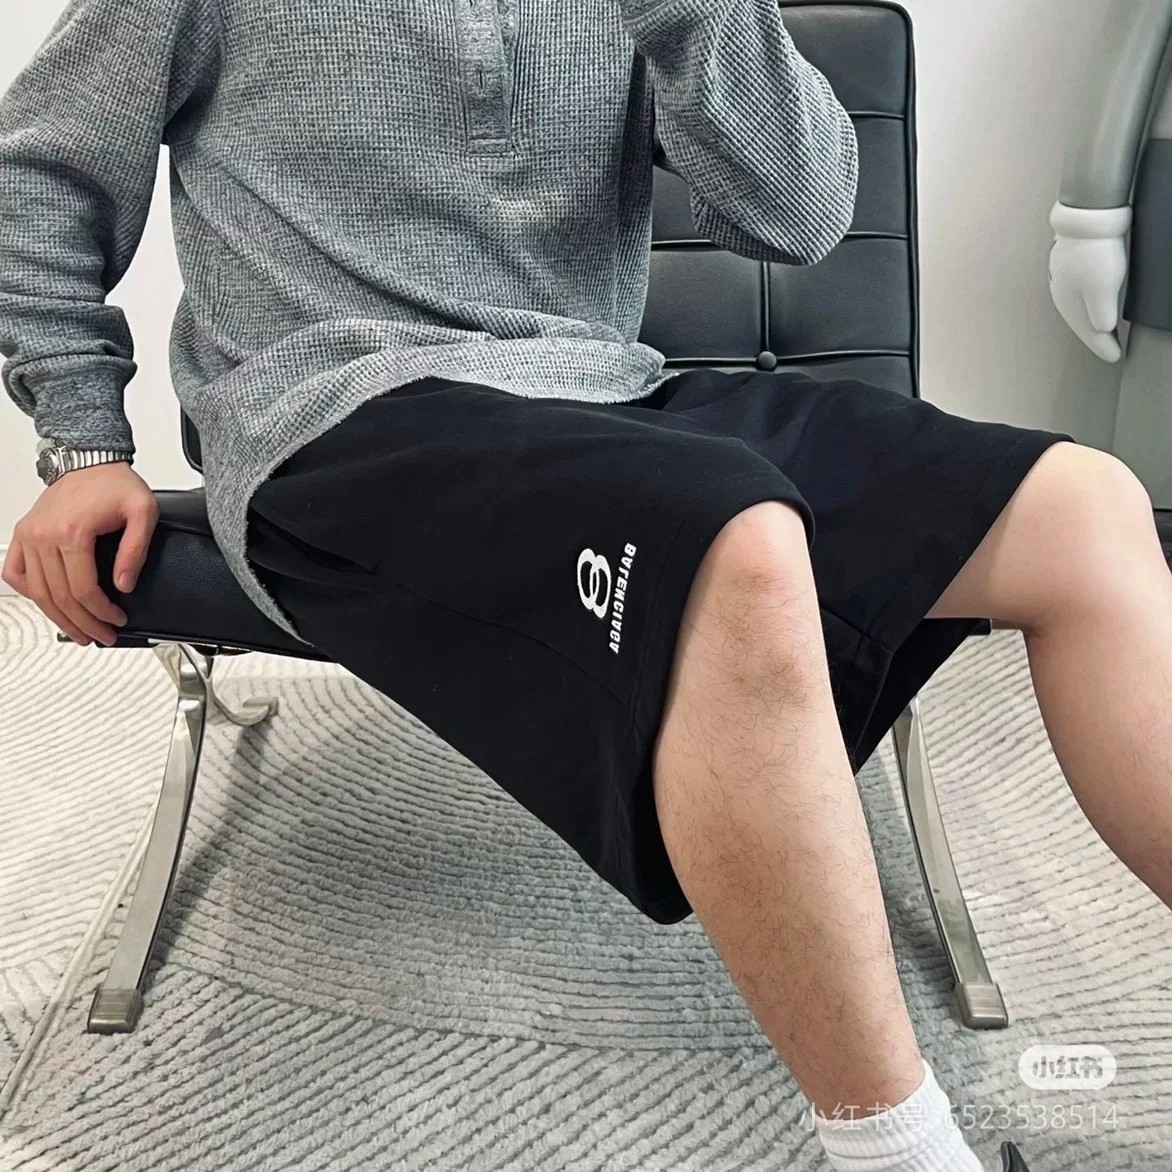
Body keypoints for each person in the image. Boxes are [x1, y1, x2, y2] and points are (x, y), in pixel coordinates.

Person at [2, 1, 1169, 1168]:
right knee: (734, 540)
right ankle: (897, 1154)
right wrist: (86, 440)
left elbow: (803, 215)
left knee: (1081, 508)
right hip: (331, 411)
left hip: (603, 390)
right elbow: (36, 176)